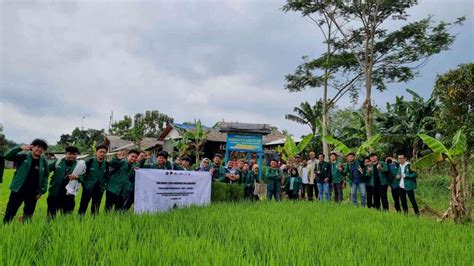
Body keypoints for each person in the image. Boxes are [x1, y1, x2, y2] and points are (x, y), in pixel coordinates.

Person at [3, 140, 49, 224]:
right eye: (37, 147)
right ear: (32, 147)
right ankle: (6, 226)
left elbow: (46, 176)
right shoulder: (23, 156)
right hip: (18, 189)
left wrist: (42, 190)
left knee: (28, 213)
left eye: (42, 148)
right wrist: (19, 148)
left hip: (33, 192)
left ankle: (25, 228)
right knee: (10, 211)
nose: (39, 149)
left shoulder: (44, 162)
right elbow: (7, 156)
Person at [47, 146, 80, 218]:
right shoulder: (58, 162)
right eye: (69, 154)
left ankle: (64, 228)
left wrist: (78, 177)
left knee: (67, 216)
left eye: (74, 154)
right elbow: (45, 170)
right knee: (50, 216)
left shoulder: (79, 165)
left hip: (69, 194)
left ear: (77, 155)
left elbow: (85, 176)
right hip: (55, 192)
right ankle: (48, 228)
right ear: (66, 154)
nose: (72, 156)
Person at [78, 144, 109, 216]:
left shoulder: (107, 164)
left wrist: (104, 186)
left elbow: (107, 177)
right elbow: (81, 173)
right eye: (100, 152)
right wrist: (84, 184)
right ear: (96, 152)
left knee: (96, 207)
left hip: (99, 189)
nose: (102, 154)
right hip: (88, 188)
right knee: (83, 205)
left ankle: (94, 222)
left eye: (104, 152)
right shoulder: (90, 162)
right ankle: (79, 220)